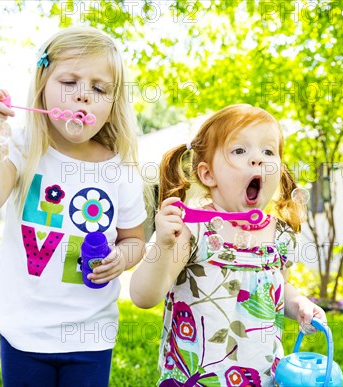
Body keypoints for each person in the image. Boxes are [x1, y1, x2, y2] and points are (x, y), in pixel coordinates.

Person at [0, 27, 147, 387]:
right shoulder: (23, 145)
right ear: (42, 85)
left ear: (113, 104)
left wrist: (123, 258)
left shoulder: (120, 168)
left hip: (91, 335)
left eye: (99, 88)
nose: (83, 97)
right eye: (69, 82)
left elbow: (134, 240)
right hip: (24, 331)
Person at [130, 104, 326, 386]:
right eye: (240, 151)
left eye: (269, 152)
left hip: (259, 375)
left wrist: (299, 304)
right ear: (208, 175)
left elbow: (276, 288)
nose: (258, 159)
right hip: (197, 377)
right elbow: (143, 296)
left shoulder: (280, 235)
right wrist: (162, 244)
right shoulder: (193, 229)